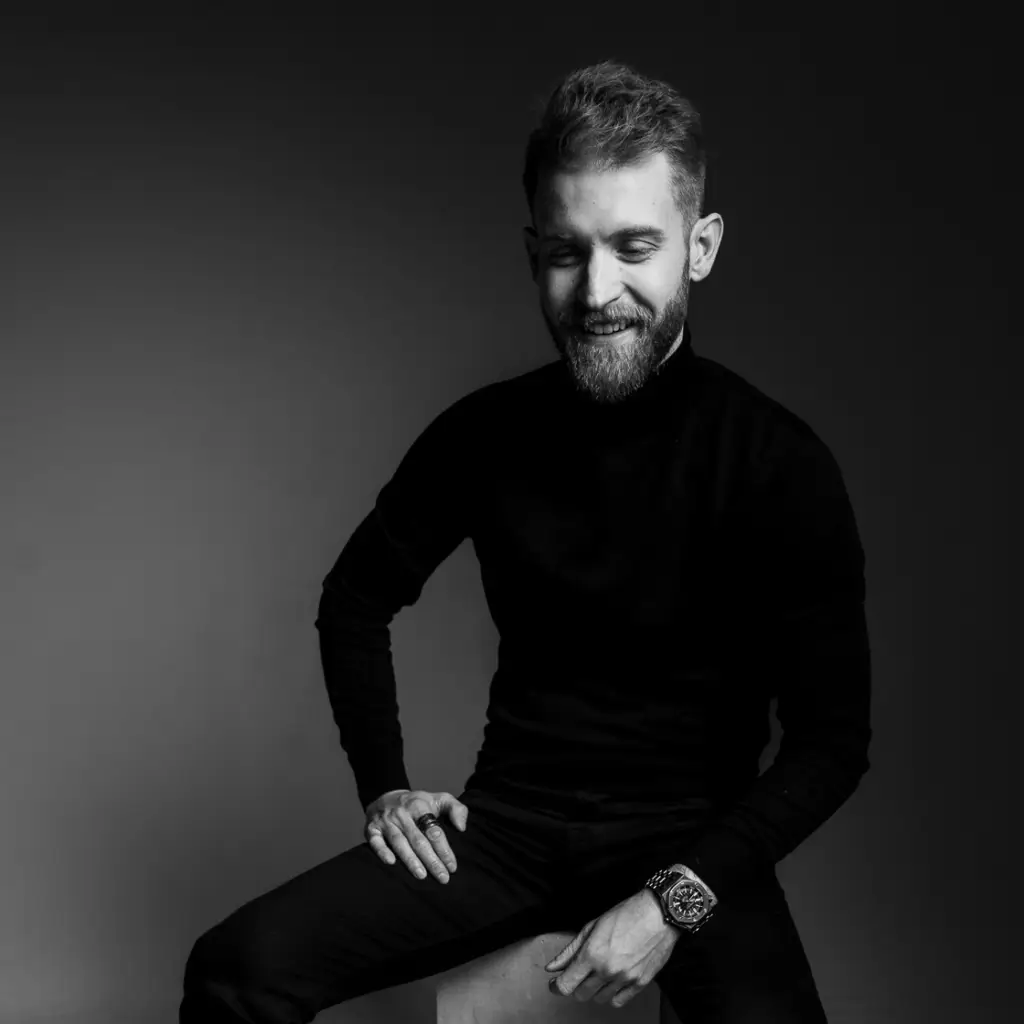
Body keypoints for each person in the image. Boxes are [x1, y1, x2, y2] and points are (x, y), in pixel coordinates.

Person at [179, 58, 871, 1023]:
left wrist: (674, 901)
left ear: (699, 247)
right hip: (507, 832)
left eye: (635, 246)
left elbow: (835, 744)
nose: (598, 291)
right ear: (532, 251)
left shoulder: (779, 461)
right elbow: (355, 599)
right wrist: (385, 786)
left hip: (692, 848)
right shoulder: (483, 433)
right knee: (235, 966)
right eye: (565, 251)